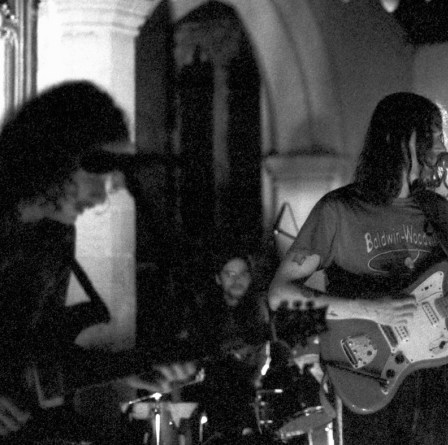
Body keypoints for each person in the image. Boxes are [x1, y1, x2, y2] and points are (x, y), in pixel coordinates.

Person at [267, 92, 448, 445]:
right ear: (399, 138)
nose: (443, 146)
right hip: (364, 373)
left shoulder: (438, 212)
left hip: (432, 380)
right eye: (433, 136)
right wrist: (368, 309)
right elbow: (279, 294)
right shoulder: (339, 209)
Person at [0, 81, 196, 441]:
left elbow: (39, 352)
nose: (102, 195)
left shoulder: (55, 236)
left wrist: (129, 369)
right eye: (98, 170)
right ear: (54, 155)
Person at [183, 243, 271, 441]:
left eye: (242, 274)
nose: (236, 280)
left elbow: (265, 350)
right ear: (218, 279)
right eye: (230, 274)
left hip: (254, 389)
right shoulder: (204, 314)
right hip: (217, 394)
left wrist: (256, 374)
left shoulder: (259, 309)